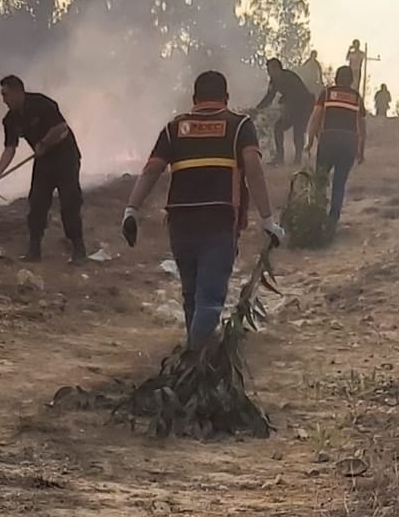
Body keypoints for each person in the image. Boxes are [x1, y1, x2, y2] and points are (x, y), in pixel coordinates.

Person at [121, 70, 284, 348]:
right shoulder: (239, 125)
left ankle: (194, 353)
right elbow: (254, 170)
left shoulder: (174, 128)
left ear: (194, 99)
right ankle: (195, 362)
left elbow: (151, 170)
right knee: (209, 300)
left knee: (192, 296)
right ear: (226, 97)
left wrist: (131, 210)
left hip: (180, 223)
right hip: (218, 221)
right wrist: (268, 220)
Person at [0, 75, 87, 263]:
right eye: (2, 95)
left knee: (69, 202)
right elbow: (10, 149)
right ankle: (34, 250)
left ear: (18, 91)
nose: (4, 100)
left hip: (65, 156)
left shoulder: (42, 104)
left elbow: (61, 128)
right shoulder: (10, 120)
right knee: (37, 202)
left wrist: (44, 143)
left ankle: (79, 249)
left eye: (6, 95)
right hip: (44, 160)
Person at [306, 66, 366, 227]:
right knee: (339, 182)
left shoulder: (326, 94)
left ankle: (316, 214)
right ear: (352, 81)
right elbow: (361, 126)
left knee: (320, 179)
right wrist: (361, 150)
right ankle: (333, 219)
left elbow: (315, 118)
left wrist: (310, 140)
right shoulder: (356, 97)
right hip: (348, 143)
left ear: (336, 78)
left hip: (328, 140)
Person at [251, 58, 315, 166]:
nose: (268, 72)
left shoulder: (288, 77)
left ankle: (298, 158)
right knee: (278, 127)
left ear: (277, 69)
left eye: (270, 69)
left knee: (298, 131)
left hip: (304, 105)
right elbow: (269, 97)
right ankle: (280, 157)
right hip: (292, 106)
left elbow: (298, 94)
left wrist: (284, 104)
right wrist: (257, 109)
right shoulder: (274, 81)